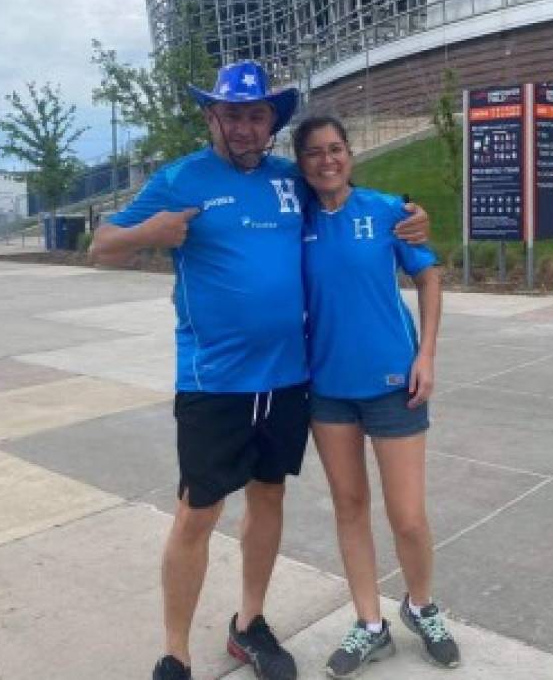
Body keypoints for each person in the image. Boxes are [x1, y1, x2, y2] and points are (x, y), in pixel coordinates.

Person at [89, 61, 428, 680]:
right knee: (198, 511)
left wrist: (410, 219)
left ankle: (249, 624)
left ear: (271, 120)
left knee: (268, 499)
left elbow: (345, 196)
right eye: (233, 114)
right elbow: (101, 244)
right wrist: (152, 232)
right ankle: (176, 651)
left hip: (288, 379)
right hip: (214, 381)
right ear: (211, 116)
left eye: (257, 115)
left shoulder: (288, 179)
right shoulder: (181, 178)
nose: (245, 128)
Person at [293, 115, 460, 677]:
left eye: (335, 149)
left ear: (350, 154)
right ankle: (369, 623)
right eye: (313, 152)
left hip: (394, 385)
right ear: (301, 163)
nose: (326, 160)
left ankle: (420, 604)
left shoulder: (389, 210)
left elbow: (430, 277)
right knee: (350, 506)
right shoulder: (295, 221)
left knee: (408, 516)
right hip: (326, 391)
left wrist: (427, 354)